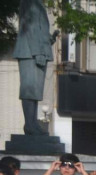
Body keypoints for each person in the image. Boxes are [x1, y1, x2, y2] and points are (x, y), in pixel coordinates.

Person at [14, 0, 54, 136]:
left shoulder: (38, 3)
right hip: (29, 52)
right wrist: (38, 51)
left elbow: (39, 30)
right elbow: (30, 28)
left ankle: (32, 123)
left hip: (36, 51)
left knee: (35, 92)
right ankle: (29, 124)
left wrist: (49, 39)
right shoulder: (29, 2)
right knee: (29, 89)